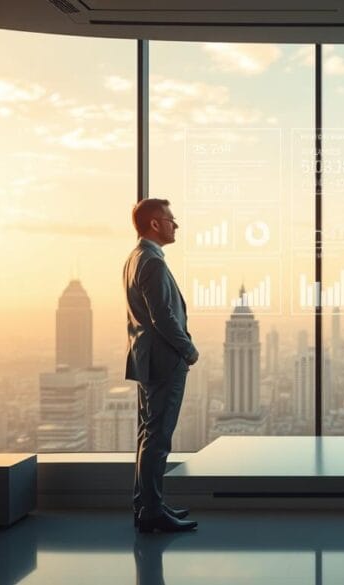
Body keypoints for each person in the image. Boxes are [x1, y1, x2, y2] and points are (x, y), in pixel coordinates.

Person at [124, 198, 199, 533]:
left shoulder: (135, 258)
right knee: (158, 438)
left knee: (148, 434)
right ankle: (151, 511)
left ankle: (146, 504)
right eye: (170, 219)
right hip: (164, 360)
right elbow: (162, 317)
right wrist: (188, 349)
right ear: (155, 224)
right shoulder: (152, 262)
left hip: (147, 359)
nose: (175, 225)